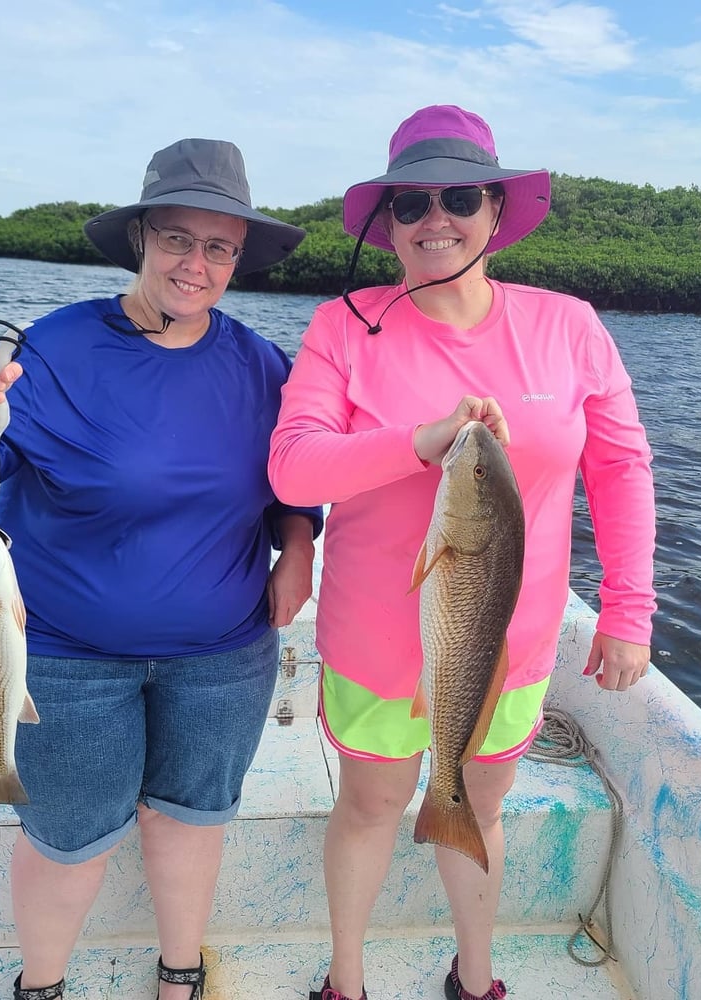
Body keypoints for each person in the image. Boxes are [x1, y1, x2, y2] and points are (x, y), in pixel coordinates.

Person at [0, 137, 323, 1000]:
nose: (194, 264)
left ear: (238, 257)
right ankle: (43, 986)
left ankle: (179, 976)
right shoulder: (55, 348)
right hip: (63, 657)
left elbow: (294, 479)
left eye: (218, 247)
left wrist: (302, 546)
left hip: (222, 653)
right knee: (66, 838)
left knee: (191, 821)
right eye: (176, 238)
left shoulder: (263, 365)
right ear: (142, 239)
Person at [267, 105, 656, 1000]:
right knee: (369, 806)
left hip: (505, 645)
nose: (435, 218)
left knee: (481, 805)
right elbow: (292, 467)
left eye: (459, 197)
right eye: (410, 203)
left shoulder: (568, 325)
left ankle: (476, 977)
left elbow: (623, 471)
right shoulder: (344, 325)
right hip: (374, 638)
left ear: (493, 211)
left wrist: (629, 612)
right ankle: (348, 979)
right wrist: (420, 439)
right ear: (385, 223)